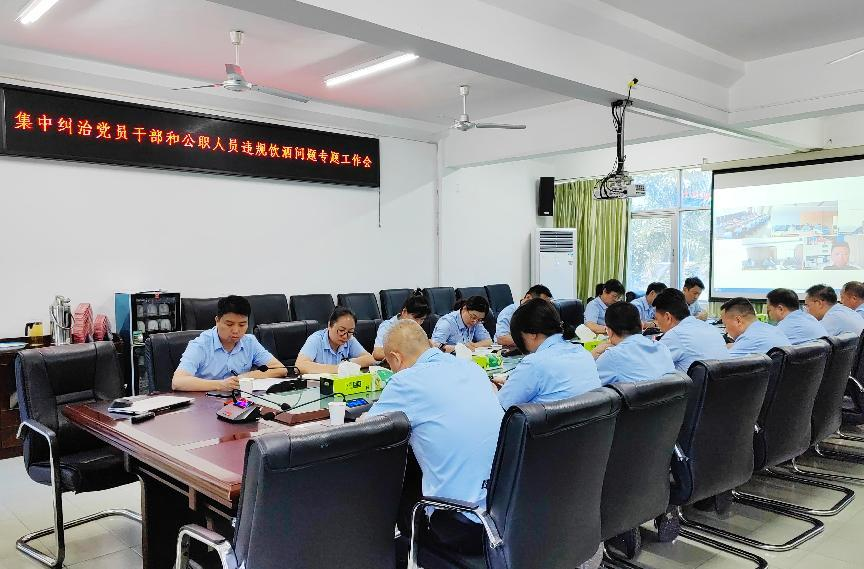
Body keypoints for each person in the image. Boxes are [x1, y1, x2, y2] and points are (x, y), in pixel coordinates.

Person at [364, 320, 503, 555]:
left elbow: (370, 431)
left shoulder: (405, 381)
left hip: (463, 524)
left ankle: (390, 552)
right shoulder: (472, 369)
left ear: (395, 358)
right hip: (505, 514)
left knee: (398, 468)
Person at [494, 297, 600, 408]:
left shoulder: (534, 363)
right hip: (588, 418)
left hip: (550, 419)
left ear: (532, 334)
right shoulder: (583, 353)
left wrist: (494, 390)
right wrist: (514, 382)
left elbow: (500, 406)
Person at [173, 295, 287, 391]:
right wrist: (221, 385)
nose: (236, 330)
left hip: (238, 401)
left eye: (242, 325)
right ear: (217, 321)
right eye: (229, 324)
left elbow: (280, 369)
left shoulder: (249, 342)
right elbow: (178, 382)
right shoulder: (200, 345)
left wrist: (247, 376)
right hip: (205, 402)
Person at [592, 302, 676, 385]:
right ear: (641, 325)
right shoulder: (662, 348)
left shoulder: (612, 356)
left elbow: (588, 385)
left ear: (609, 331)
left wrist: (592, 356)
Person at [653, 288, 730, 373]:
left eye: (657, 319)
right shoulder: (711, 328)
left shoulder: (675, 335)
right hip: (724, 380)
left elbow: (650, 368)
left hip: (696, 381)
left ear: (668, 317)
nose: (658, 324)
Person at [295, 307, 376, 374]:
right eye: (341, 330)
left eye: (350, 331)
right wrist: (338, 369)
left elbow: (369, 359)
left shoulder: (350, 339)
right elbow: (300, 365)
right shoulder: (316, 339)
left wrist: (347, 364)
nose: (345, 336)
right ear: (329, 325)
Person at [372, 289, 431, 361]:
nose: (418, 323)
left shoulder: (418, 328)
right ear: (404, 312)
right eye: (415, 318)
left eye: (422, 319)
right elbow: (377, 353)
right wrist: (407, 355)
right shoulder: (388, 326)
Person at [721, 297, 790, 357]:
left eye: (725, 325)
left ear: (738, 320)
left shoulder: (749, 338)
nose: (725, 330)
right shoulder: (774, 330)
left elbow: (722, 363)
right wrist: (736, 345)